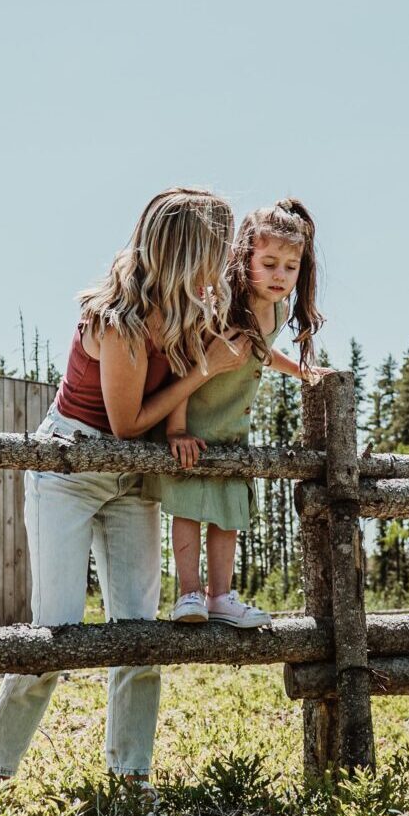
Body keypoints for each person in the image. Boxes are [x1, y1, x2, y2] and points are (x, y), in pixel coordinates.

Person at [0, 187, 247, 789]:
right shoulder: (117, 320)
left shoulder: (190, 312)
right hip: (70, 468)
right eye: (219, 247)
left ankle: (131, 777)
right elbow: (125, 425)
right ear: (188, 251)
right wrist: (203, 371)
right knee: (57, 628)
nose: (226, 261)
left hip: (134, 477)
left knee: (138, 629)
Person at [159, 199, 330, 627]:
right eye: (269, 262)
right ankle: (189, 593)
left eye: (290, 267)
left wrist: (299, 369)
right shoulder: (222, 299)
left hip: (233, 430)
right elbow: (185, 357)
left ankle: (221, 597)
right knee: (189, 508)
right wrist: (177, 429)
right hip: (195, 426)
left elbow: (260, 351)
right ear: (244, 256)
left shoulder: (278, 310)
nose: (279, 275)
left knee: (228, 516)